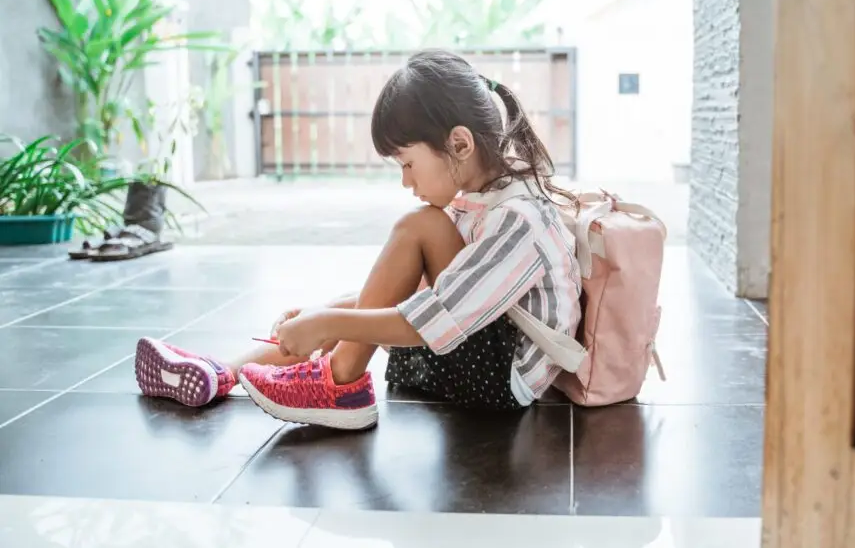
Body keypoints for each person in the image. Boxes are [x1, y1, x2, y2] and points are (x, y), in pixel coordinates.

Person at [134, 50, 582, 430]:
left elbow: (438, 316)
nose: (407, 181)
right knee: (370, 287)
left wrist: (331, 322)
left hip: (503, 380)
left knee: (417, 227)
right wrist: (330, 311)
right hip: (478, 354)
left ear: (460, 144)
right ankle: (221, 373)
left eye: (407, 163)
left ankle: (341, 381)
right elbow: (437, 296)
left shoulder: (519, 220)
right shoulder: (485, 200)